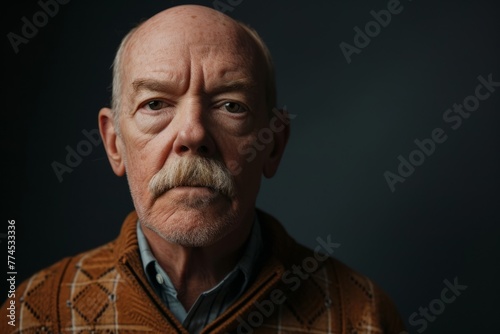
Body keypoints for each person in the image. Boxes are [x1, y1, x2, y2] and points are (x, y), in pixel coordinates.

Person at [1, 4, 406, 334]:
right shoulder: (32, 315)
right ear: (114, 144)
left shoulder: (363, 317)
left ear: (274, 145)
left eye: (231, 105)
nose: (193, 134)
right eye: (155, 104)